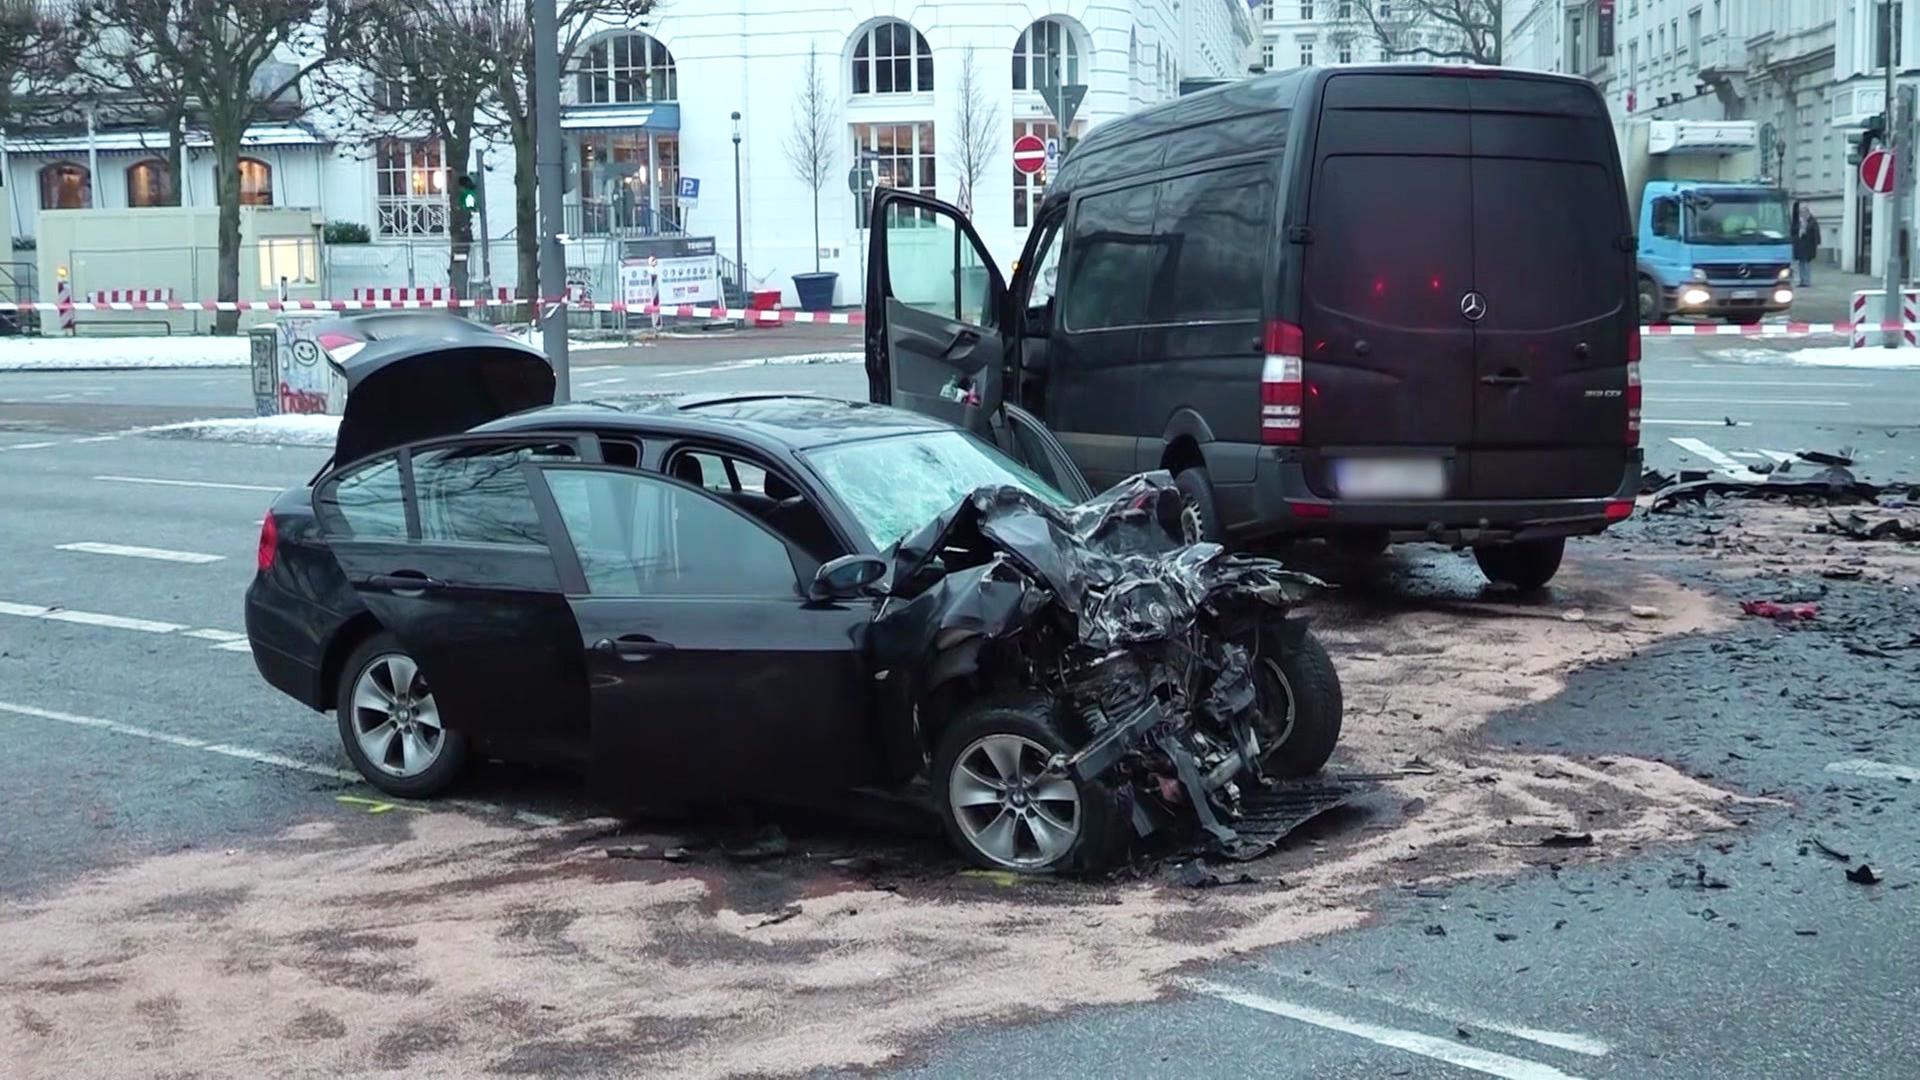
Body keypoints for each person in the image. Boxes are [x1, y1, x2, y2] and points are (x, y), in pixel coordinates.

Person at [1793, 202, 1822, 287]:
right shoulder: (1800, 221)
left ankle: (1807, 281)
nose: (1802, 214)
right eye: (1801, 212)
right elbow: (1795, 231)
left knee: (1806, 264)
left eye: (1803, 212)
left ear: (1807, 212)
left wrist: (1816, 245)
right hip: (1801, 246)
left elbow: (1815, 234)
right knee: (1801, 263)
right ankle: (1802, 281)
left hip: (1808, 246)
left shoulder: (1812, 221)